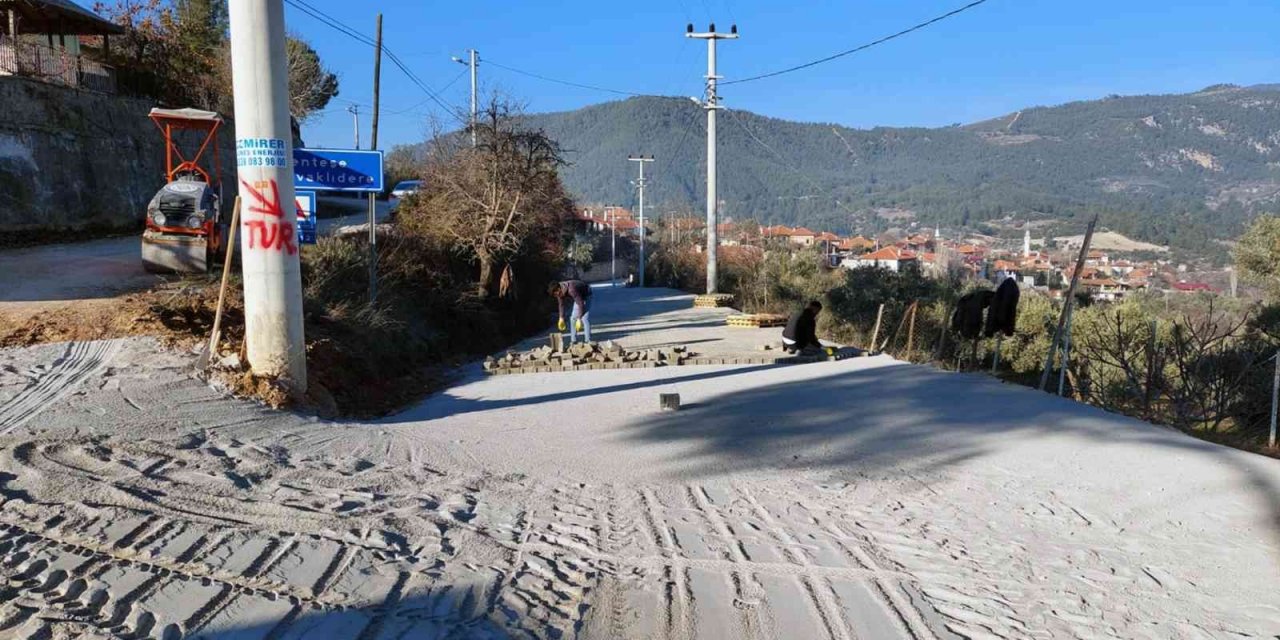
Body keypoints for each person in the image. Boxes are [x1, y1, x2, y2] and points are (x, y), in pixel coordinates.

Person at [549, 279, 593, 343]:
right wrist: (561, 318)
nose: (556, 296)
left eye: (555, 294)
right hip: (578, 297)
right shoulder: (559, 292)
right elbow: (561, 305)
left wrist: (579, 318)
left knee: (584, 318)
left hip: (587, 295)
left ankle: (587, 340)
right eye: (554, 295)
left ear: (558, 289)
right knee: (572, 318)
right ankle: (573, 341)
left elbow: (581, 304)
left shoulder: (572, 290)